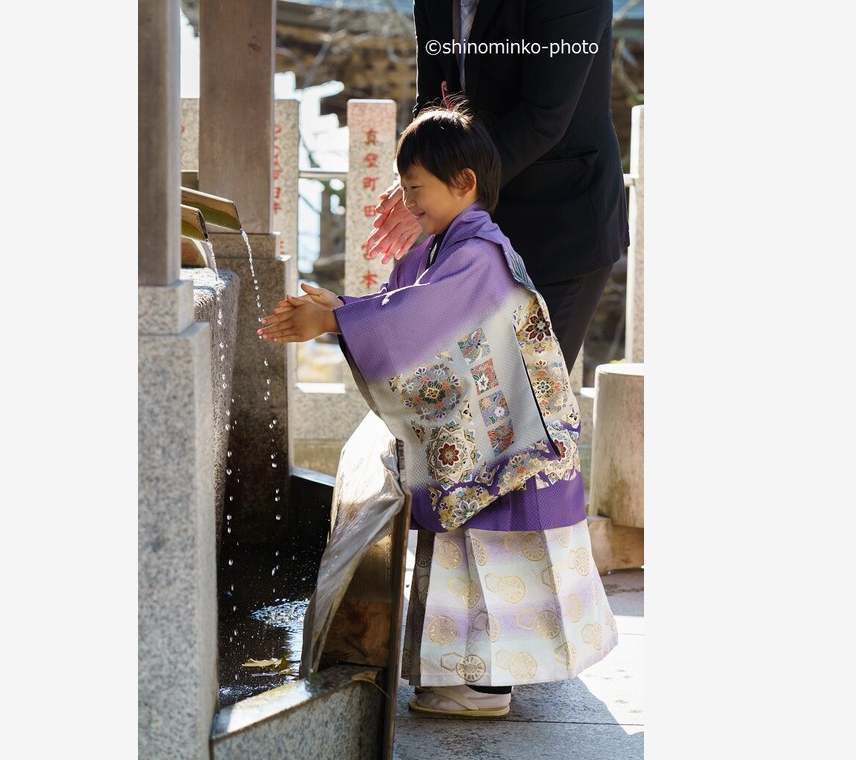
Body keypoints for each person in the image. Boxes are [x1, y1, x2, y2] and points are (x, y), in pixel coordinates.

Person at [258, 106, 617, 717]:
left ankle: (483, 682)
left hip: (505, 443)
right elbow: (408, 312)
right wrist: (342, 311)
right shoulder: (457, 246)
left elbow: (413, 324)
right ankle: (478, 675)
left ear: (465, 183)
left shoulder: (476, 254)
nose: (409, 203)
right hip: (495, 434)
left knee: (491, 554)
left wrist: (335, 320)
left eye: (416, 190)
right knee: (479, 557)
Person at [366, 0, 630, 376]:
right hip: (473, 232)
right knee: (464, 405)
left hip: (560, 227)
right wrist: (416, 180)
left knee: (528, 409)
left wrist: (443, 187)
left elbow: (543, 117)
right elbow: (433, 102)